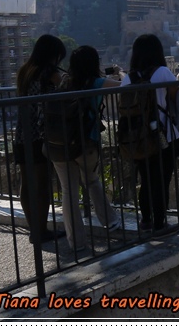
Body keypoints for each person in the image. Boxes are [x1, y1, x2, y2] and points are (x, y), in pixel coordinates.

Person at [50, 46, 122, 252]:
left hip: (60, 143)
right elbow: (124, 85)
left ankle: (77, 243)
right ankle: (110, 220)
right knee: (91, 180)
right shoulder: (96, 82)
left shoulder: (64, 81)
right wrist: (119, 73)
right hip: (85, 142)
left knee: (68, 192)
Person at [120, 34, 179, 237]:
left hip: (137, 137)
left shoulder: (127, 78)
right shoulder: (163, 72)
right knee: (162, 179)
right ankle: (160, 224)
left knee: (146, 179)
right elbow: (172, 96)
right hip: (161, 134)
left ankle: (146, 220)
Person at [15, 34, 67, 244]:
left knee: (27, 184)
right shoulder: (48, 73)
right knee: (42, 183)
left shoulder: (25, 71)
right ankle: (41, 231)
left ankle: (34, 229)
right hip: (40, 135)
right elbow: (61, 94)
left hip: (21, 135)